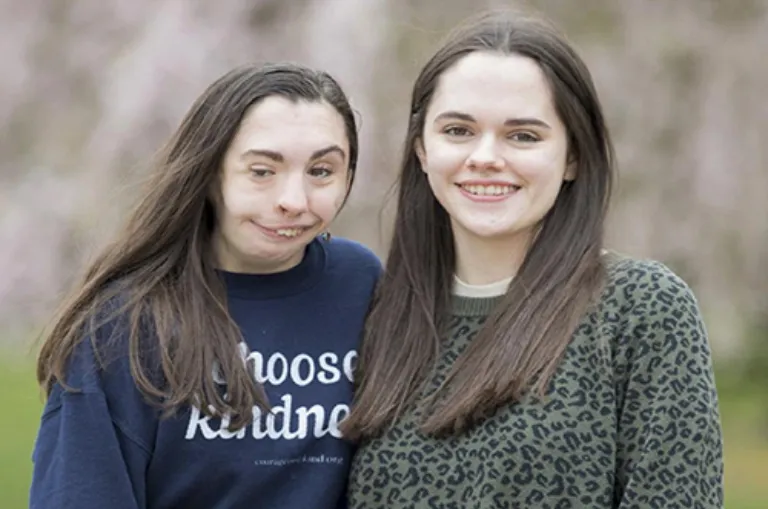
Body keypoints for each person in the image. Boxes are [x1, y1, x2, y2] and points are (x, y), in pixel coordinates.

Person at [341, 10, 724, 508]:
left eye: (523, 136)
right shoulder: (375, 314)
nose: (484, 156)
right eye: (458, 130)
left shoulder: (640, 309)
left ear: (573, 157)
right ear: (421, 149)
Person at [30, 62, 381, 509]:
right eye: (261, 171)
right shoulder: (124, 325)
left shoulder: (361, 284)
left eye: (321, 171)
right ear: (211, 173)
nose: (293, 200)